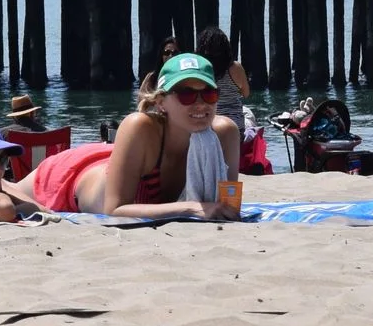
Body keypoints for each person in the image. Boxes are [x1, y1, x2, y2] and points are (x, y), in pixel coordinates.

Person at [14, 53, 242, 219]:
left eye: (209, 93)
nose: (201, 103)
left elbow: (228, 208)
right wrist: (193, 208)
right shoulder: (140, 127)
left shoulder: (225, 133)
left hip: (118, 161)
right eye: (186, 94)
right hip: (68, 177)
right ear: (161, 102)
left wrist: (207, 208)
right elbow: (114, 210)